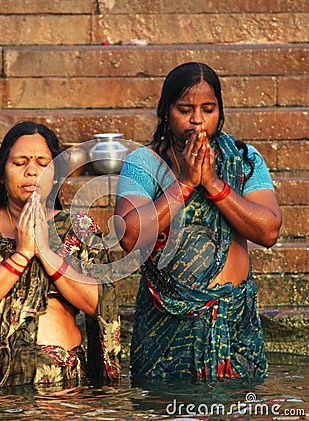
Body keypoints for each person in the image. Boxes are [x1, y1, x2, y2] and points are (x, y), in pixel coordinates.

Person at [115, 62, 282, 380]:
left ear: (220, 110)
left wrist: (214, 185)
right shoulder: (145, 162)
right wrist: (185, 183)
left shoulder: (245, 159)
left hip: (233, 325)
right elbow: (129, 234)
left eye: (208, 109)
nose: (197, 120)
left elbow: (269, 230)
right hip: (165, 328)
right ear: (166, 111)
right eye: (185, 109)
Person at [0, 121, 121, 389]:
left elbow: (99, 303)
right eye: (19, 163)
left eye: (42, 163)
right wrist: (22, 254)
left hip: (62, 388)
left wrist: (47, 253)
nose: (31, 171)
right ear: (1, 175)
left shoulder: (78, 227)